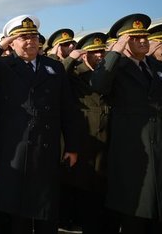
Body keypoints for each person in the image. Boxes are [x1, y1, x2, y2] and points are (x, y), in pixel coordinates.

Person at [0, 15, 81, 234]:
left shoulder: (54, 68)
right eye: (23, 37)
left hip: (46, 148)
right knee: (17, 212)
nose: (30, 41)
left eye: (33, 36)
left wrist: (72, 145)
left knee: (46, 209)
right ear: (11, 43)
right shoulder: (4, 66)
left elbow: (67, 108)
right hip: (16, 148)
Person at [91, 14, 162, 233]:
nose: (142, 41)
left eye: (144, 36)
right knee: (135, 209)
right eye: (134, 37)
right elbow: (98, 84)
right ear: (124, 41)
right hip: (132, 147)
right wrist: (114, 52)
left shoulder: (155, 65)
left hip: (159, 144)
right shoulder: (117, 67)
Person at [59, 32, 119, 234]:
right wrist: (71, 58)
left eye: (103, 51)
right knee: (86, 194)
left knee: (107, 192)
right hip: (85, 141)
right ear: (84, 55)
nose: (101, 55)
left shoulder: (109, 73)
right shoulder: (75, 73)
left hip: (109, 140)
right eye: (95, 52)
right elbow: (57, 75)